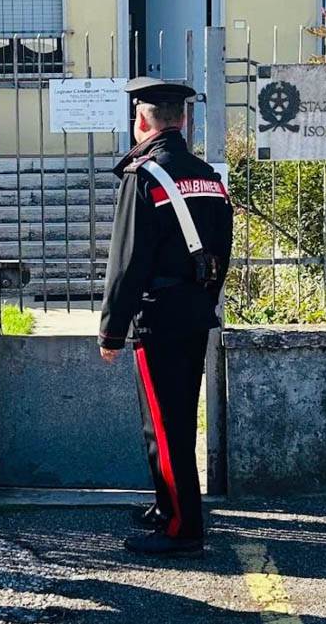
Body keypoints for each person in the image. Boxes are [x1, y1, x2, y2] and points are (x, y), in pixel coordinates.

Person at [98, 76, 233, 557]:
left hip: (157, 317)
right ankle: (166, 506)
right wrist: (204, 298)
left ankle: (181, 528)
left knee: (165, 424)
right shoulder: (208, 176)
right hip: (195, 312)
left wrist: (113, 329)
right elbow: (222, 251)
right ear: (184, 120)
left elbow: (128, 260)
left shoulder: (145, 177)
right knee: (173, 418)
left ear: (141, 121)